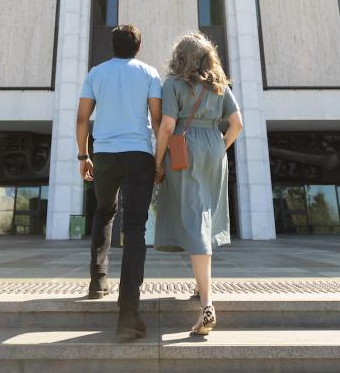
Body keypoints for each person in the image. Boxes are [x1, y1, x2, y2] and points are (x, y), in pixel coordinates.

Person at [153, 33, 243, 336]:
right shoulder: (219, 85)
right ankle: (199, 286)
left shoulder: (174, 84)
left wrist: (158, 161)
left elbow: (167, 126)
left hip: (184, 148)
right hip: (215, 149)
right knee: (204, 214)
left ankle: (207, 303)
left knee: (194, 218)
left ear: (181, 56)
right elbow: (237, 124)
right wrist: (220, 147)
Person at [76, 24, 162, 339]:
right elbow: (156, 119)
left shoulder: (95, 73)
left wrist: (83, 156)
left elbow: (82, 118)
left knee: (103, 212)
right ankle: (128, 313)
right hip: (139, 155)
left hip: (106, 156)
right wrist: (160, 159)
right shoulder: (150, 73)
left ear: (112, 46)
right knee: (136, 228)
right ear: (138, 47)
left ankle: (98, 281)